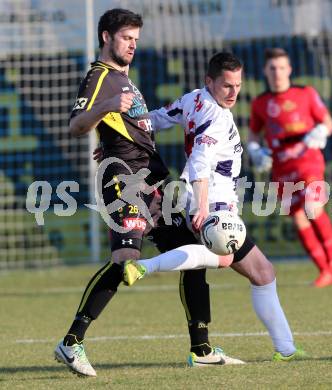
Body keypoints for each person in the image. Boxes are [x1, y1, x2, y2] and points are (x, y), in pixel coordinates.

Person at [54, 8, 241, 377]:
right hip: (126, 181)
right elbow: (77, 124)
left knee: (196, 253)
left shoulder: (125, 80)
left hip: (153, 180)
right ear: (106, 37)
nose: (133, 45)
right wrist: (105, 111)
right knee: (126, 259)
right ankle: (71, 342)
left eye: (136, 40)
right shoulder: (100, 77)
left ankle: (201, 348)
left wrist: (112, 131)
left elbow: (131, 125)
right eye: (126, 38)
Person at [124, 52, 304, 366]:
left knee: (254, 271)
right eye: (226, 86)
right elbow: (200, 163)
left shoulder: (194, 99)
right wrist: (204, 208)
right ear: (210, 81)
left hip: (203, 202)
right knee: (251, 268)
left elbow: (156, 119)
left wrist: (121, 130)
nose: (234, 93)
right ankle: (147, 268)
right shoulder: (216, 118)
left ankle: (283, 349)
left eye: (238, 85)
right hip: (214, 209)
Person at [248, 47, 332, 288]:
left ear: (289, 69)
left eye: (282, 67)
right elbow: (253, 135)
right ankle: (324, 270)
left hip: (308, 162)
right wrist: (254, 150)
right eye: (273, 68)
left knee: (313, 208)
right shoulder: (261, 103)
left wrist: (321, 130)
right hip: (282, 168)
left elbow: (328, 122)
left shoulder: (306, 93)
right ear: (265, 71)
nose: (278, 73)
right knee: (299, 219)